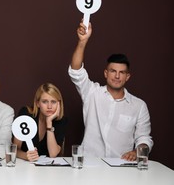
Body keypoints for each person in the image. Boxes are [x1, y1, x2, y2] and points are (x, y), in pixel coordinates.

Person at [68, 21, 153, 161]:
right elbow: (76, 72)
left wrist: (137, 150)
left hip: (121, 166)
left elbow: (144, 137)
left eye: (122, 72)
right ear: (106, 73)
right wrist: (82, 41)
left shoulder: (139, 106)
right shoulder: (92, 93)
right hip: (89, 164)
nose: (117, 76)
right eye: (113, 71)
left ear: (127, 76)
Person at [13, 83, 67, 161]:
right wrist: (26, 156)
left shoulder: (61, 121)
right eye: (45, 102)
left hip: (47, 170)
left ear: (59, 104)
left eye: (53, 102)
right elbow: (14, 149)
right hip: (25, 166)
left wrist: (49, 123)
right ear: (38, 103)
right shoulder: (26, 114)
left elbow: (53, 154)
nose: (49, 106)